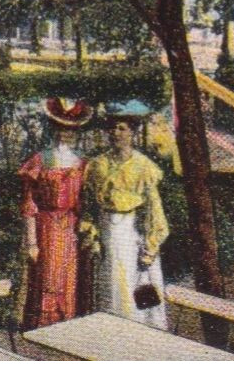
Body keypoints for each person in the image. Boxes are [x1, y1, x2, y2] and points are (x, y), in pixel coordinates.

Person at [80, 100, 168, 329]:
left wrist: (151, 245)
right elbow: (89, 206)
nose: (116, 133)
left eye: (122, 128)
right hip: (107, 232)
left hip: (132, 233)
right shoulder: (97, 165)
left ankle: (140, 332)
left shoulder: (143, 166)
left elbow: (154, 210)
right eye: (112, 128)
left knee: (135, 285)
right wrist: (91, 234)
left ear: (133, 132)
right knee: (110, 285)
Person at [15, 97, 91, 331]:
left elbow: (87, 203)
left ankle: (68, 324)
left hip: (72, 228)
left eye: (69, 129)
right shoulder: (40, 159)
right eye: (60, 128)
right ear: (53, 129)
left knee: (71, 277)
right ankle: (45, 327)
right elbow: (29, 204)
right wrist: (31, 242)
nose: (64, 134)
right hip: (46, 227)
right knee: (49, 276)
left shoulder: (82, 163)